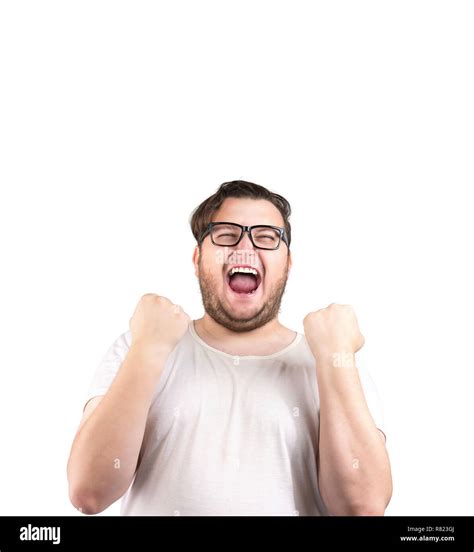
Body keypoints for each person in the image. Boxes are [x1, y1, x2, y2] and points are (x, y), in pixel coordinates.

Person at [67, 180, 392, 516]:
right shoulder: (139, 346)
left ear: (288, 264)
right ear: (197, 258)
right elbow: (89, 492)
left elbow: (363, 507)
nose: (245, 247)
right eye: (225, 234)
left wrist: (336, 357)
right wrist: (148, 349)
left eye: (266, 237)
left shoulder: (333, 360)